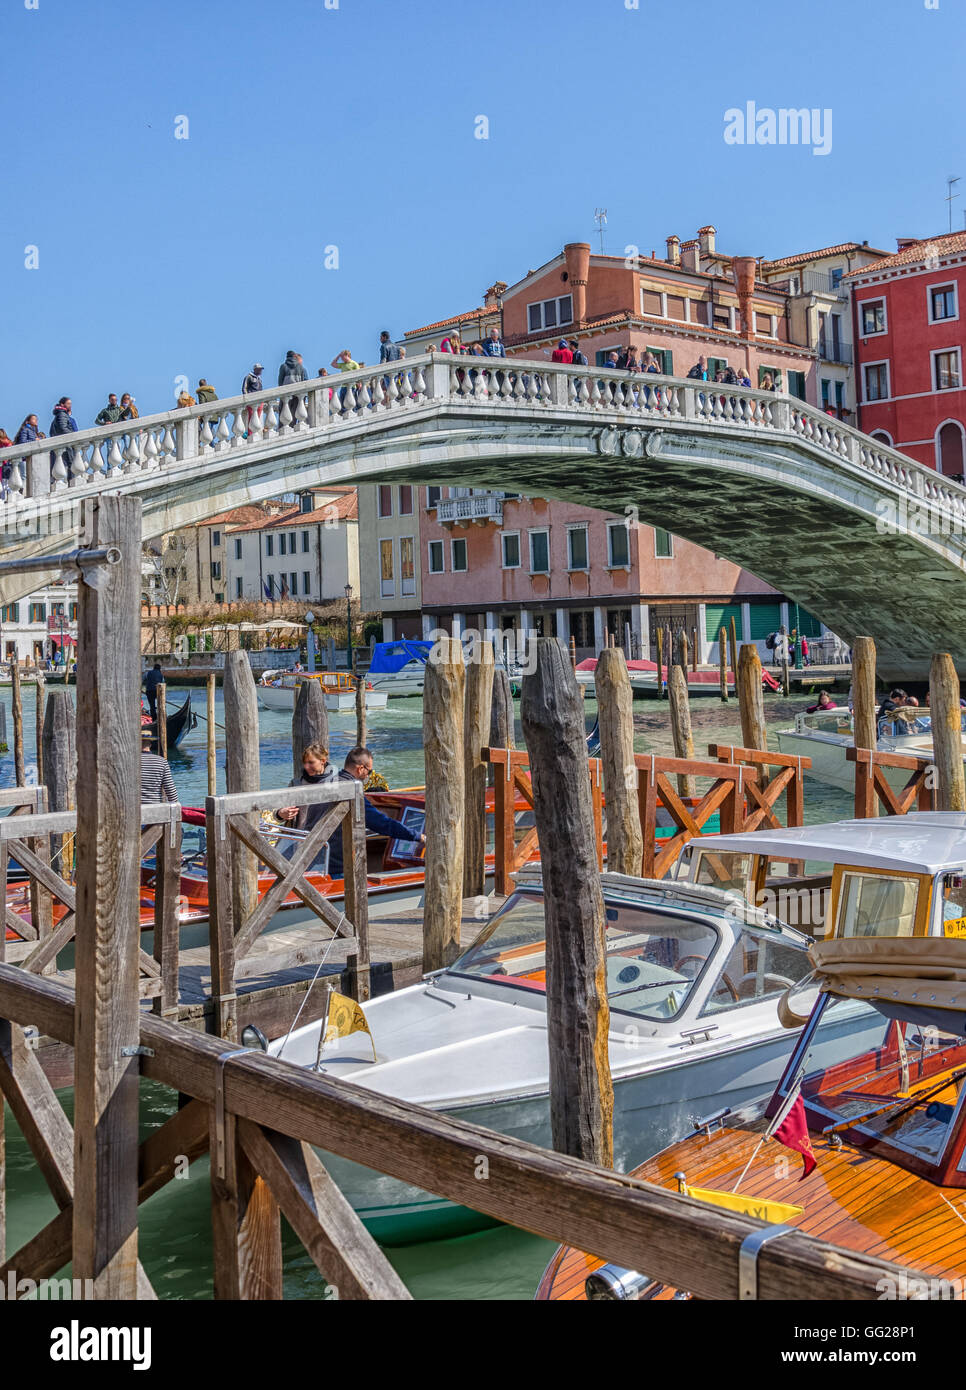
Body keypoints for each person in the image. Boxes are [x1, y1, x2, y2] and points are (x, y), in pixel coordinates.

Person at [277, 744, 424, 877]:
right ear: (361, 769)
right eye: (370, 771)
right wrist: (418, 836)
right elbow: (382, 824)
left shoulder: (326, 783)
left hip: (307, 862)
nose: (369, 776)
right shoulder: (351, 791)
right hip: (333, 867)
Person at [140, 728, 178, 805]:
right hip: (155, 808)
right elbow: (172, 794)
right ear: (150, 744)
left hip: (132, 810)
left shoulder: (128, 762)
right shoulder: (161, 762)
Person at [49, 397, 78, 474]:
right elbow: (63, 428)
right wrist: (73, 435)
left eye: (70, 404)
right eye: (68, 404)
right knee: (70, 463)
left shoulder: (60, 414)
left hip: (63, 443)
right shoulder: (62, 414)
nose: (70, 406)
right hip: (66, 443)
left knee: (68, 464)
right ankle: (71, 481)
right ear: (62, 404)